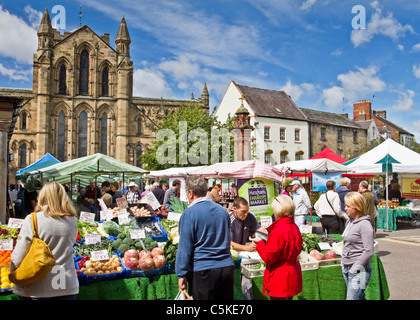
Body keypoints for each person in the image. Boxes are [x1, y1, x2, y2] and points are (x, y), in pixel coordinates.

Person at [10, 181, 79, 300]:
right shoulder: (72, 220)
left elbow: (19, 254)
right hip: (66, 284)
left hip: (38, 286)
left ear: (41, 197)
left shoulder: (33, 219)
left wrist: (12, 273)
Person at [176, 176, 234, 300]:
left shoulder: (189, 214)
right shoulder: (223, 212)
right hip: (226, 269)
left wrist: (181, 274)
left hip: (204, 271)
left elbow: (184, 248)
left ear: (190, 193)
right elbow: (228, 239)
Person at [250, 195, 303, 300]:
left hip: (280, 277)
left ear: (278, 212)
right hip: (292, 272)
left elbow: (268, 258)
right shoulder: (294, 227)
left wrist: (260, 243)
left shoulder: (278, 231)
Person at [342, 191, 374, 300]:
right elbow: (346, 244)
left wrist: (354, 268)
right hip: (347, 267)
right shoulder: (349, 222)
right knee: (359, 297)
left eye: (348, 206)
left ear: (356, 207)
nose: (345, 208)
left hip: (358, 270)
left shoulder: (365, 225)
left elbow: (369, 251)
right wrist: (343, 264)